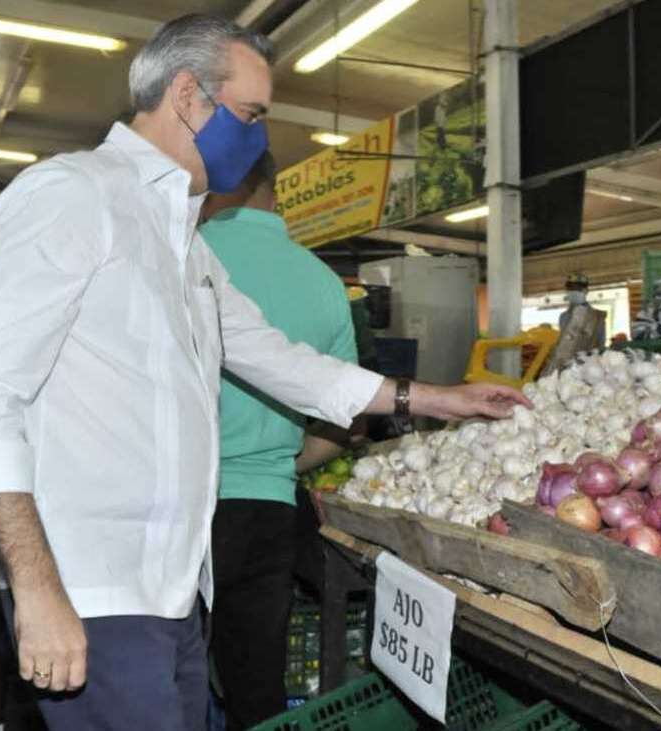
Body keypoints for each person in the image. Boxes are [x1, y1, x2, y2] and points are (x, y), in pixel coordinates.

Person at [0, 13, 529, 731]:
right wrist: (35, 590)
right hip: (94, 587)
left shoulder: (184, 241)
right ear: (188, 96)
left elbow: (279, 359)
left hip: (177, 588)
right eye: (251, 114)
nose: (256, 137)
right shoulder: (74, 195)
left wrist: (436, 398)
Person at [198, 151, 356, 729]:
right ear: (274, 188)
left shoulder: (187, 256)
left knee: (176, 672)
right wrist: (284, 463)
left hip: (178, 506)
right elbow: (346, 421)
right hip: (267, 508)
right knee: (256, 684)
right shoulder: (322, 280)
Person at [557, 272, 606, 346]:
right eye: (571, 289)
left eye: (578, 289)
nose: (574, 292)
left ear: (586, 291)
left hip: (590, 356)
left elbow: (601, 343)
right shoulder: (564, 317)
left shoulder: (597, 316)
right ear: (567, 291)